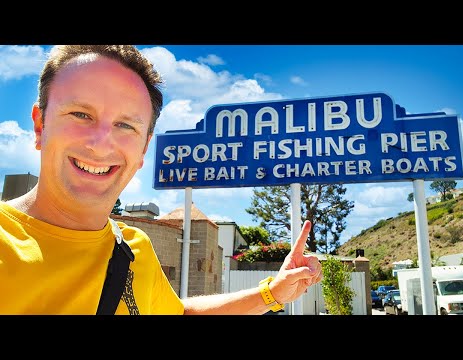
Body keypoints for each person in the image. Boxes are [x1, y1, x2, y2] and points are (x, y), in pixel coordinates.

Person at [0, 45, 322, 315]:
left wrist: (273, 294)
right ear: (40, 125)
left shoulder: (133, 248)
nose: (100, 143)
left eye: (126, 125)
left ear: (143, 149)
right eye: (81, 115)